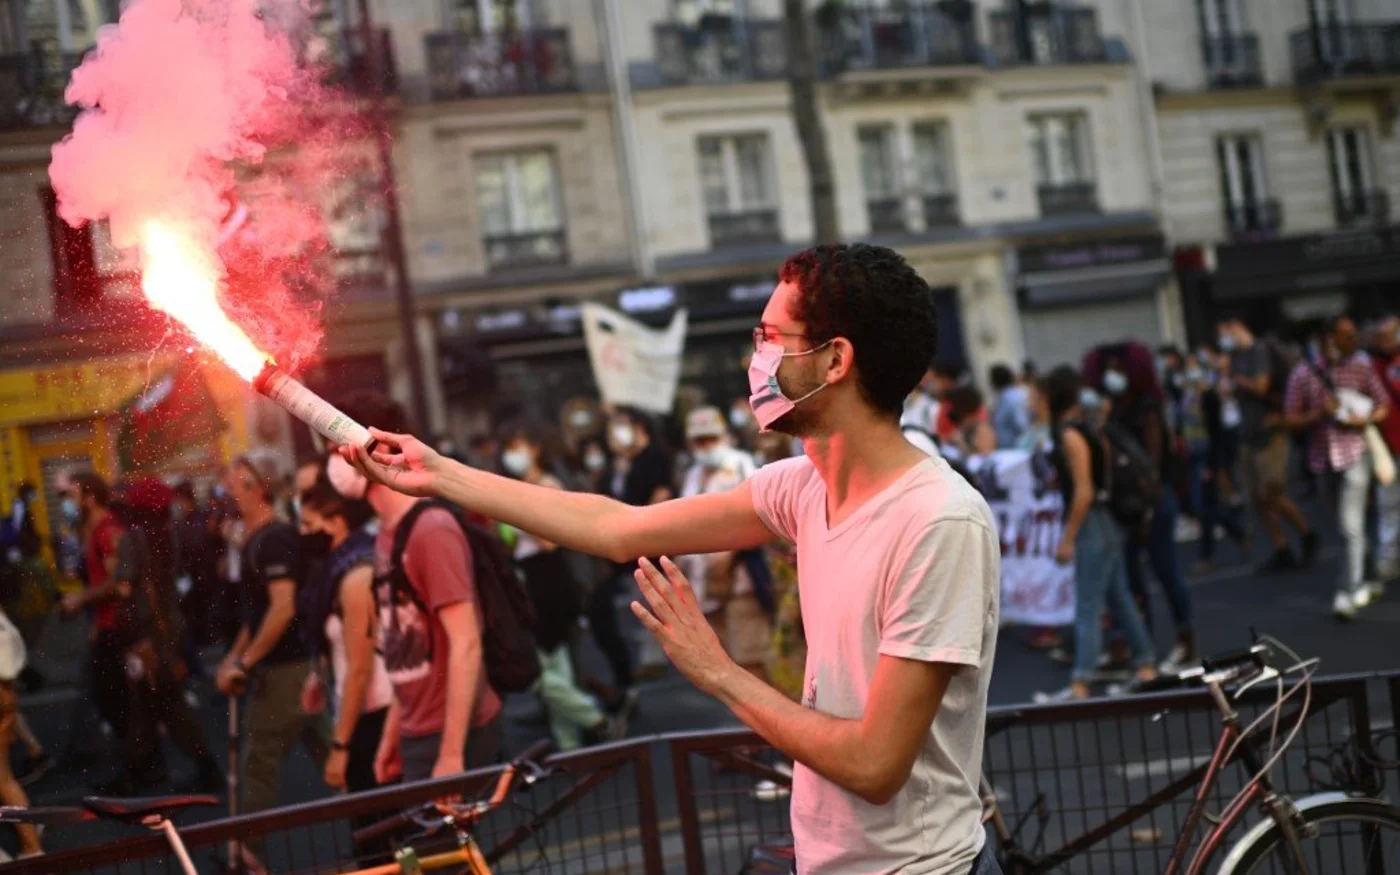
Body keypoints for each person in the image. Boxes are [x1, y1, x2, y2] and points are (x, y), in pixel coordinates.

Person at [342, 243, 1005, 875]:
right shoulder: (802, 487)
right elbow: (617, 526)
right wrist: (440, 474)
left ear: (836, 361)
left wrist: (716, 671)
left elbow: (874, 763)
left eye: (772, 338)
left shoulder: (938, 521)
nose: (758, 356)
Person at [334, 392, 503, 783]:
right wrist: (394, 736)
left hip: (452, 734)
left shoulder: (432, 530)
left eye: (337, 448)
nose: (335, 464)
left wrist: (451, 755)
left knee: (445, 847)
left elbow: (466, 644)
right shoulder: (385, 535)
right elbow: (402, 650)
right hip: (418, 733)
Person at [498, 420, 628, 750]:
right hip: (527, 578)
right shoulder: (516, 486)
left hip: (550, 579)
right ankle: (570, 742)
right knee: (558, 667)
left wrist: (516, 511)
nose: (513, 455)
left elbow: (550, 540)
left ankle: (592, 721)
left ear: (535, 449)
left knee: (544, 668)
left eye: (518, 446)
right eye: (509, 448)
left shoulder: (546, 483)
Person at [216, 455, 329, 825]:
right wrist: (235, 656)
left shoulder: (275, 539)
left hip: (286, 670)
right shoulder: (253, 542)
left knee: (258, 764)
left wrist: (244, 664)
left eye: (235, 487)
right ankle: (384, 826)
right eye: (226, 488)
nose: (229, 496)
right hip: (291, 668)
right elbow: (257, 614)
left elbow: (281, 609)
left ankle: (245, 855)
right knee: (332, 753)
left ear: (258, 489)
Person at [1035, 367, 1158, 703]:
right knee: (1119, 597)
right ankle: (1145, 664)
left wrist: (1067, 538)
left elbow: (1084, 491)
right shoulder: (1086, 428)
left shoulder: (1071, 434)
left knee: (1088, 605)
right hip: (1106, 523)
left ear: (1051, 398)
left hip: (1094, 525)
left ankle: (1081, 682)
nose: (1035, 402)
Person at [1084, 340, 1197, 670]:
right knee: (1133, 581)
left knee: (1166, 573)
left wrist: (1148, 503)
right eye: (1109, 368)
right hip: (1127, 508)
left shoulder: (1148, 408)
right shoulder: (1113, 408)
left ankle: (1185, 641)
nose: (1112, 375)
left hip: (1152, 504)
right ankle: (1141, 646)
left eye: (1119, 368)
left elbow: (1154, 461)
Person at [109, 476, 222, 794]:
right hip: (172, 627)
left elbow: (126, 586)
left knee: (159, 700)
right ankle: (138, 770)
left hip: (146, 630)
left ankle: (197, 767)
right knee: (153, 700)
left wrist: (129, 631)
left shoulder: (133, 539)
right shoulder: (173, 533)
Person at [1284, 315, 1391, 620]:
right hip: (1322, 459)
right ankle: (1369, 575)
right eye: (1345, 335)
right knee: (1348, 528)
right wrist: (1317, 414)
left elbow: (1382, 404)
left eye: (1353, 334)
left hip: (1355, 452)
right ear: (1328, 338)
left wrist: (1365, 419)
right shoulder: (1303, 373)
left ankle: (1348, 589)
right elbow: (1289, 419)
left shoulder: (1361, 365)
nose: (1352, 340)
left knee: (1349, 525)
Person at [296, 480, 391, 795]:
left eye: (309, 524)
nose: (302, 533)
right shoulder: (335, 570)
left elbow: (360, 668)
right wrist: (319, 674)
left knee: (377, 827)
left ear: (337, 523)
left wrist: (340, 746)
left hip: (375, 714)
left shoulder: (355, 577)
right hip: (360, 709)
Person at [679, 407, 770, 680]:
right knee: (726, 664)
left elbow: (764, 515)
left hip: (741, 582)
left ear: (724, 436)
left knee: (752, 660)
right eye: (699, 440)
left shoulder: (742, 465)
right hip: (703, 585)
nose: (706, 446)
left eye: (711, 439)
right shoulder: (692, 475)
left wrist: (732, 552)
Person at [1220, 318, 1318, 573]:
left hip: (1270, 433)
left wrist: (1234, 377)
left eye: (1226, 333)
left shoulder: (1258, 352)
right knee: (1257, 500)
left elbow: (1261, 387)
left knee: (1272, 493)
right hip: (1248, 435)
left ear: (1239, 328)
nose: (1224, 340)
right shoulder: (1235, 357)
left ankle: (1307, 533)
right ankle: (1281, 547)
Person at [595, 407, 674, 701]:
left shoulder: (654, 456)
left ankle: (656, 658)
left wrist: (636, 525)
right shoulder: (617, 464)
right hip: (625, 546)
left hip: (648, 543)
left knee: (652, 598)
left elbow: (661, 496)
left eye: (621, 425)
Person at [60, 472, 131, 741]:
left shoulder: (106, 531)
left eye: (74, 496)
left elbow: (117, 581)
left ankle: (137, 765)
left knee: (112, 698)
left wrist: (80, 599)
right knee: (108, 696)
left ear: (89, 499)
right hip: (105, 625)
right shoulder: (93, 530)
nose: (69, 502)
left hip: (117, 626)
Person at [1371, 316, 1400, 585]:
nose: (1384, 341)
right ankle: (1388, 562)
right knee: (1388, 506)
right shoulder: (1373, 365)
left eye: (1390, 335)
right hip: (1387, 450)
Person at [989, 363, 1031, 449]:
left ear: (995, 382)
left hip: (1016, 449)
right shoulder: (1003, 398)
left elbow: (1022, 425)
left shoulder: (1011, 398)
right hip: (1009, 449)